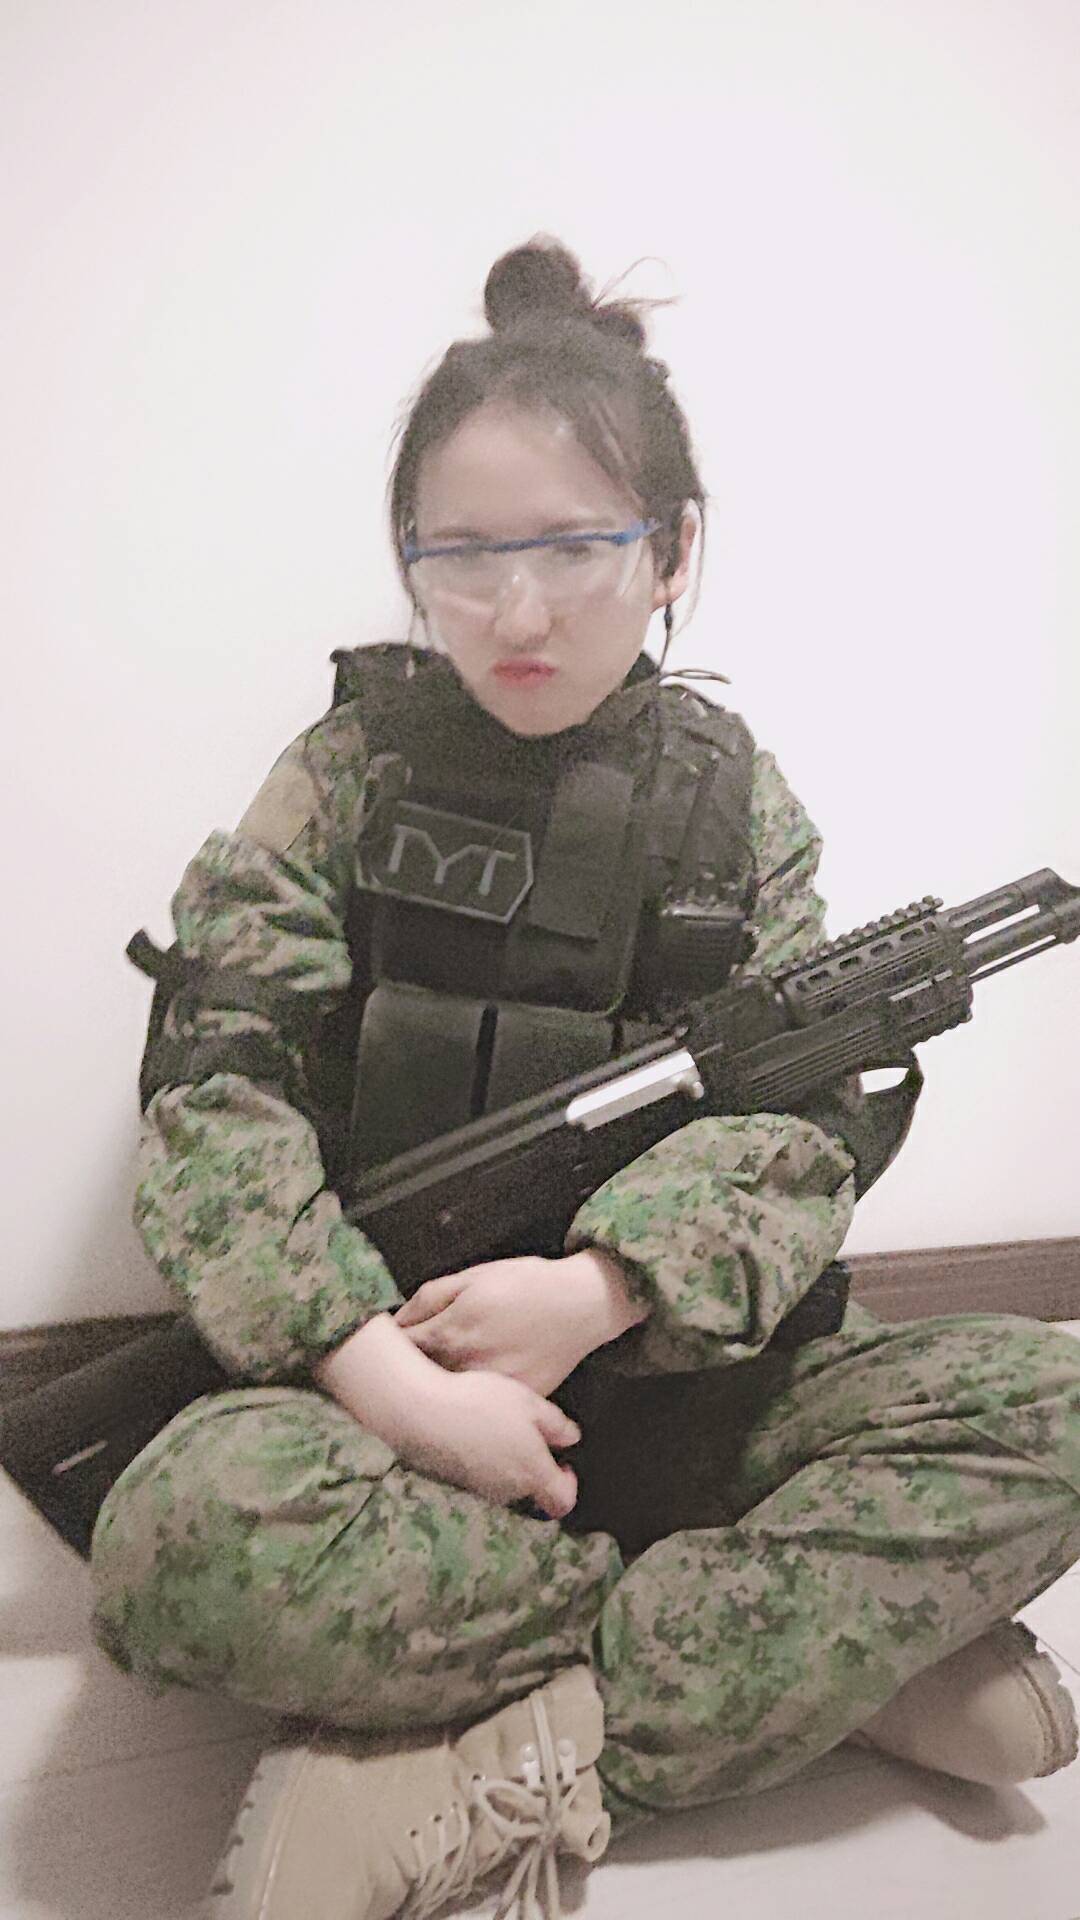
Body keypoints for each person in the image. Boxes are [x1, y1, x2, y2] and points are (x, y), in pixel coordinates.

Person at [90, 238, 1080, 1920]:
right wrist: (387, 1381)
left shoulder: (731, 804)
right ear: (411, 562)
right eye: (464, 557)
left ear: (673, 550)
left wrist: (601, 1290)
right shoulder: (342, 778)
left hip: (689, 1395)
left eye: (574, 547)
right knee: (176, 1541)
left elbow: (798, 1135)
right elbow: (215, 1102)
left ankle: (516, 1736)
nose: (521, 611)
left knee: (1051, 1408)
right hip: (390, 1404)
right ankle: (809, 1661)